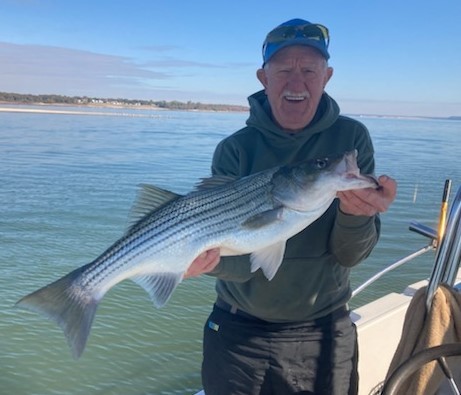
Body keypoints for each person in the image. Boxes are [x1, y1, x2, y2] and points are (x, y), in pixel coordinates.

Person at [186, 18, 397, 395]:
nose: (296, 83)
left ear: (327, 76)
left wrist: (356, 216)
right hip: (237, 332)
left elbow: (350, 256)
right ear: (263, 78)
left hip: (323, 329)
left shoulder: (351, 139)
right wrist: (206, 261)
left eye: (309, 71)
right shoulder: (235, 149)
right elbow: (241, 264)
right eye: (283, 70)